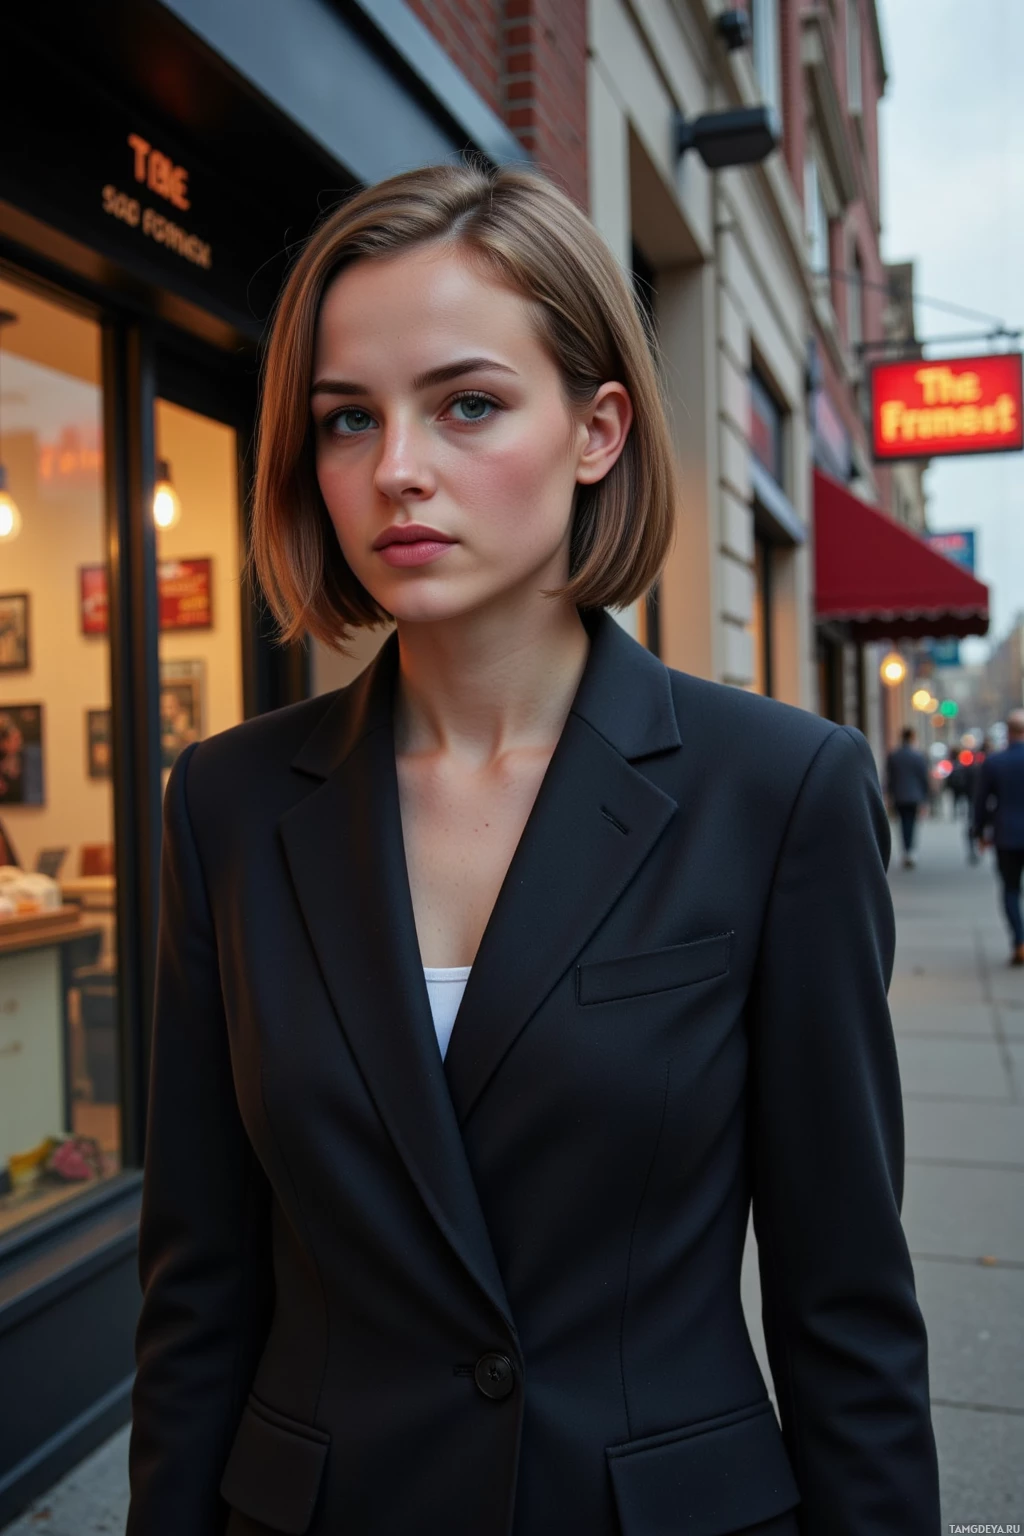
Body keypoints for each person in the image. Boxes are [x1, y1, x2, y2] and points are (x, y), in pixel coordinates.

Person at [126, 161, 938, 1536]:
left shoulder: (780, 792)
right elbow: (198, 1290)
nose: (395, 470)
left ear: (598, 429)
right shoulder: (228, 802)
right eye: (344, 419)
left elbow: (846, 1309)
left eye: (468, 404)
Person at [973, 709, 1024, 965]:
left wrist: (979, 832)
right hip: (1008, 834)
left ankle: (1019, 940)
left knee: (1011, 889)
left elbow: (981, 801)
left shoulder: (995, 762)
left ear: (1009, 732)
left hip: (1007, 836)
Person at [885, 726, 931, 868]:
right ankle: (910, 851)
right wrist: (925, 798)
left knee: (903, 823)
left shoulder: (894, 756)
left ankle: (906, 851)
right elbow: (923, 778)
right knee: (911, 823)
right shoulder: (918, 757)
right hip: (914, 796)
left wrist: (889, 795)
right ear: (912, 738)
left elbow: (889, 778)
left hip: (899, 795)